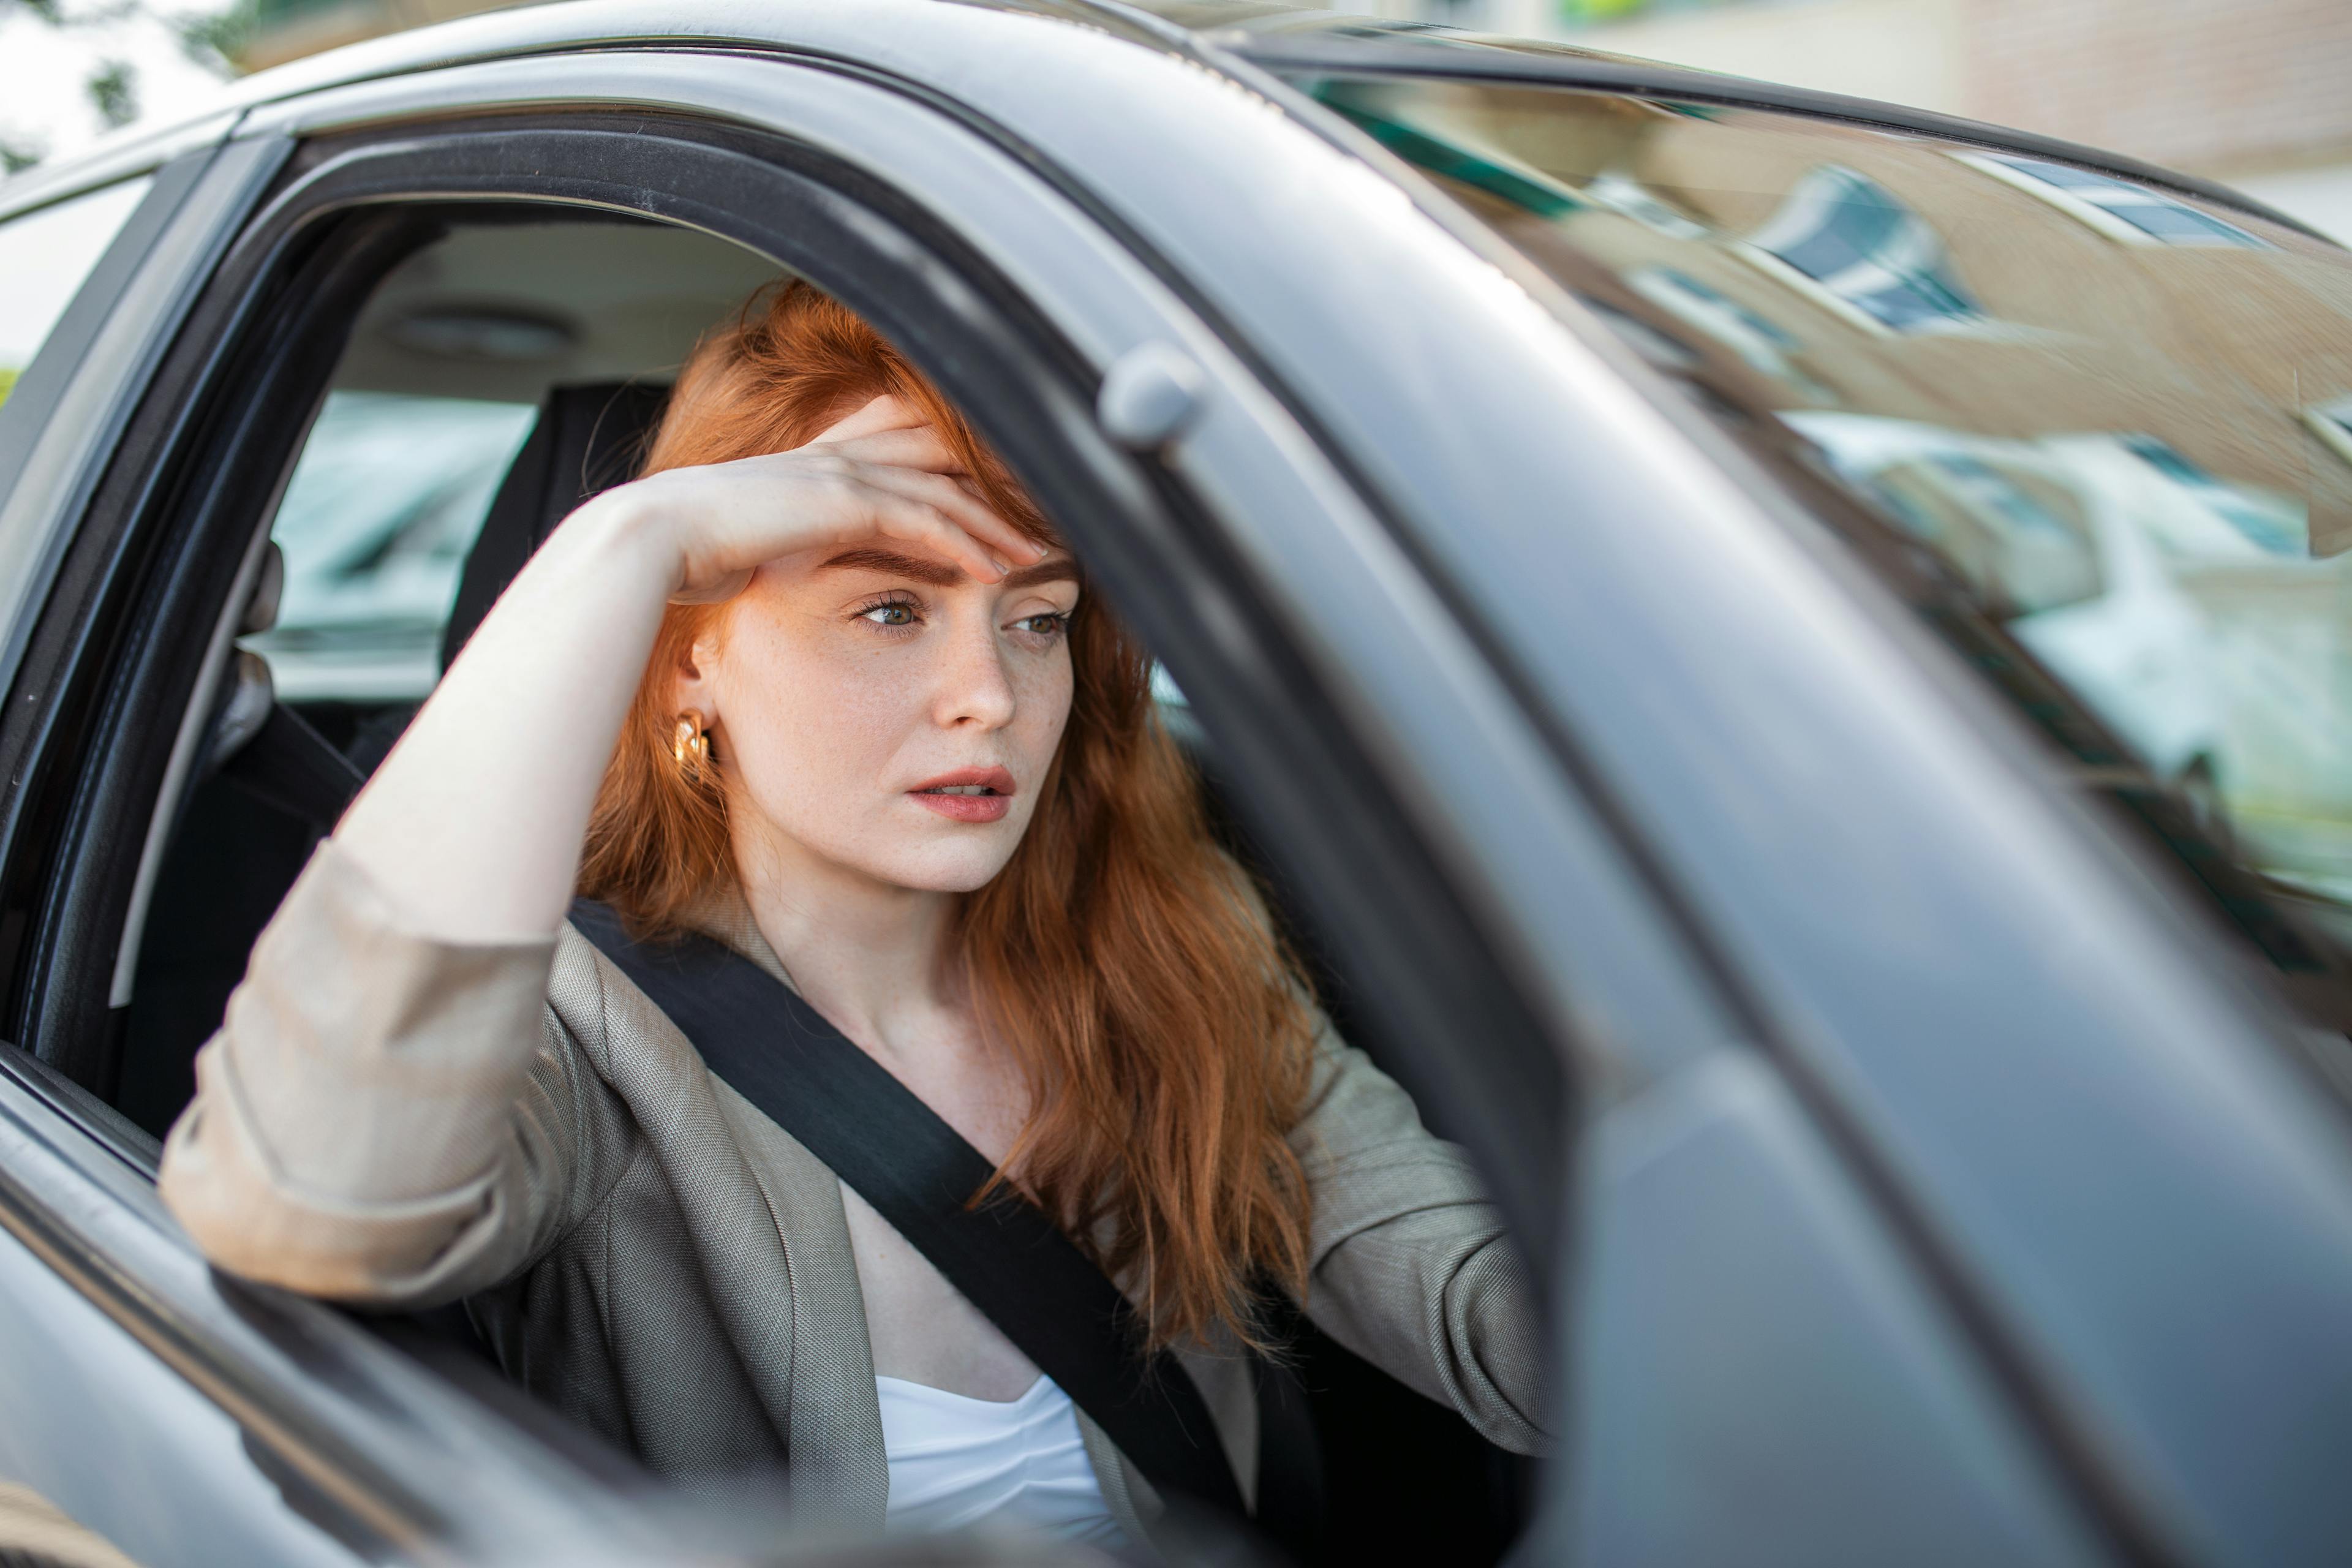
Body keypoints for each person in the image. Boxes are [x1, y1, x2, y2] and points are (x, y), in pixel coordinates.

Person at [157, 282, 1545, 1551]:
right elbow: (312, 1200)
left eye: (1040, 617)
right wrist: (624, 540)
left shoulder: (1164, 941)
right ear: (689, 657)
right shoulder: (584, 1031)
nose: (991, 695)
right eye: (891, 607)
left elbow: (1470, 1287)